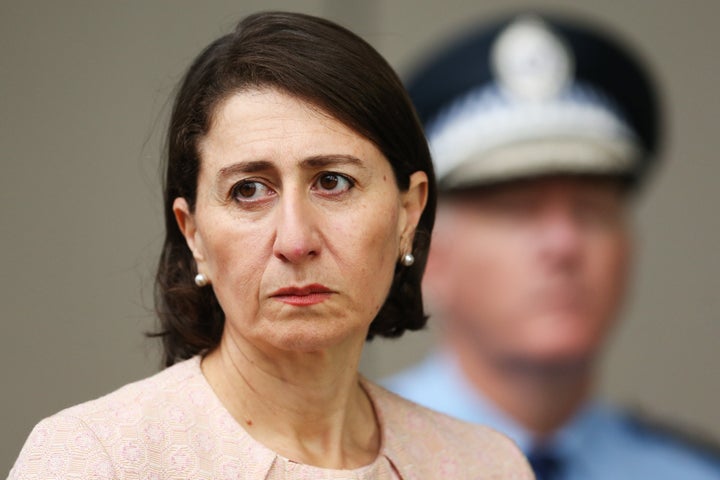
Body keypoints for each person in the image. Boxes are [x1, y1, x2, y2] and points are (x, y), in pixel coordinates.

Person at [8, 11, 533, 480]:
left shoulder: (483, 466)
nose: (296, 241)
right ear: (194, 235)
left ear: (408, 212)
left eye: (333, 181)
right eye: (249, 190)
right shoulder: (96, 461)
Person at [385, 12, 720, 480]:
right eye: (517, 210)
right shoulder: (335, 463)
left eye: (591, 209)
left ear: (629, 249)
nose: (564, 244)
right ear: (430, 256)